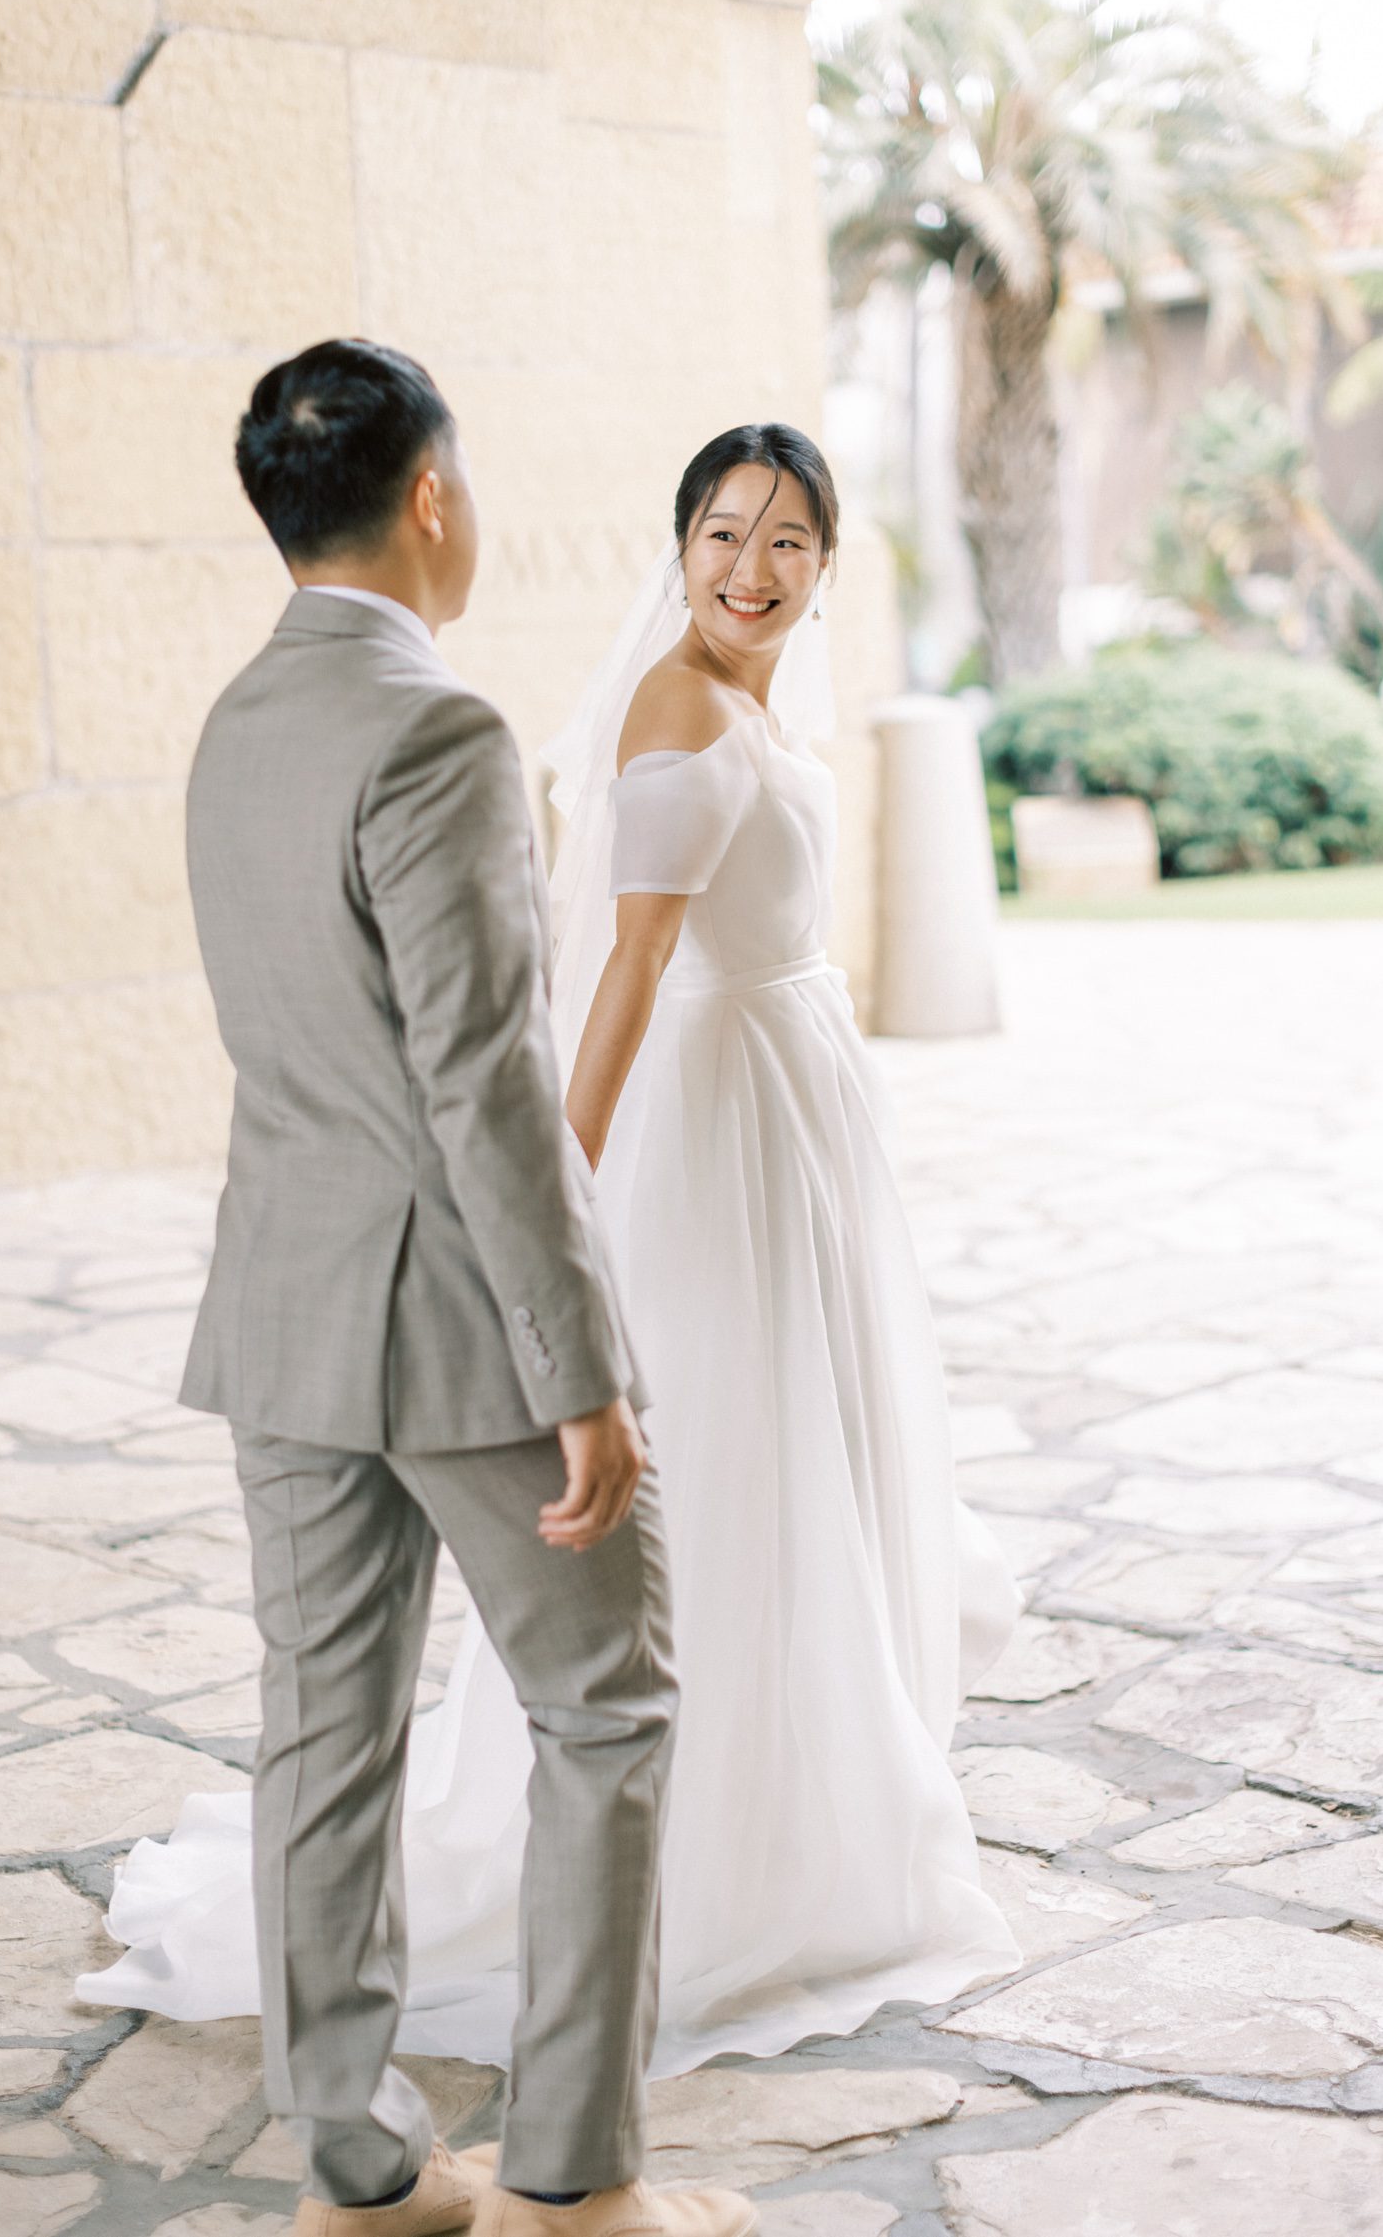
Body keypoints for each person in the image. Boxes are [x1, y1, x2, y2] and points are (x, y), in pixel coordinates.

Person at [82, 414, 1023, 2098]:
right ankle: (722, 1882)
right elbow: (625, 979)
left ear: (825, 563)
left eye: (790, 539)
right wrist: (568, 1190)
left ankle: (795, 1798)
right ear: (677, 550)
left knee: (804, 1450)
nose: (753, 567)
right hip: (721, 1128)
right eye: (725, 532)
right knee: (736, 1462)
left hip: (792, 1111)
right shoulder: (674, 706)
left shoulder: (755, 698)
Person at [86, 337, 758, 2237]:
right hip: (461, 1334)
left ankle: (364, 2174)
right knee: (609, 1710)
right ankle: (572, 2178)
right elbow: (484, 1080)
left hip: (286, 1322)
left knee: (322, 1735)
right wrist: (588, 1367)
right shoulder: (439, 728)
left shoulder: (234, 722)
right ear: (434, 492)